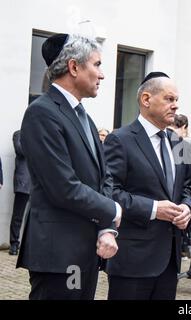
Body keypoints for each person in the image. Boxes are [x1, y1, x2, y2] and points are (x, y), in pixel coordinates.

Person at [18, 33, 122, 300]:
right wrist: (113, 209)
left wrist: (106, 226)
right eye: (97, 65)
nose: (102, 75)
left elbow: (104, 176)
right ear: (74, 67)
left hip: (85, 250)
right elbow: (63, 187)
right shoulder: (42, 112)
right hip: (58, 255)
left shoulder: (84, 116)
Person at [103, 72, 191, 300]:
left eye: (176, 100)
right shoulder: (120, 140)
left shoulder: (178, 144)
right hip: (132, 261)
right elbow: (109, 193)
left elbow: (187, 187)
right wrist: (154, 209)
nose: (176, 106)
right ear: (146, 99)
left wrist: (186, 208)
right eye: (169, 99)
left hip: (170, 262)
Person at [9, 130, 31, 255]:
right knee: (18, 216)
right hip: (23, 182)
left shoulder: (39, 134)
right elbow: (20, 150)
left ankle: (28, 246)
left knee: (34, 218)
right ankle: (13, 244)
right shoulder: (19, 134)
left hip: (37, 184)